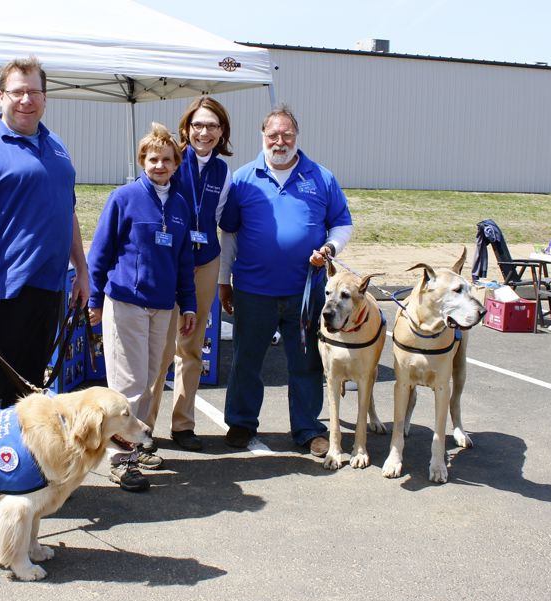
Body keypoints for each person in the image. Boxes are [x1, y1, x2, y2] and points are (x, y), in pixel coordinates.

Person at [0, 56, 89, 409]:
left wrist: (82, 270)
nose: (26, 100)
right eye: (17, 92)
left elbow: (66, 212)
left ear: (45, 98)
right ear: (1, 97)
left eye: (34, 92)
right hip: (2, 296)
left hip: (48, 292)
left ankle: (17, 465)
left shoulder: (57, 147)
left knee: (27, 400)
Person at [218, 104, 353, 457]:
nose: (280, 141)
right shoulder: (243, 178)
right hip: (252, 290)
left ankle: (309, 429)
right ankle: (241, 423)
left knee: (306, 362)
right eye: (273, 135)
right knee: (247, 360)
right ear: (263, 137)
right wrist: (222, 281)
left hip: (305, 292)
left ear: (297, 137)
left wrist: (330, 248)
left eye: (287, 134)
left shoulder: (321, 177)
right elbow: (229, 233)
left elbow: (342, 223)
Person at [88, 123, 197, 492]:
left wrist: (189, 305)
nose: (160, 165)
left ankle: (136, 442)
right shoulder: (125, 197)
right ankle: (121, 460)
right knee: (128, 384)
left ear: (177, 163)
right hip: (125, 302)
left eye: (167, 159)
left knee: (150, 379)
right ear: (142, 161)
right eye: (153, 159)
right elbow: (100, 252)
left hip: (163, 306)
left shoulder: (181, 206)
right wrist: (93, 299)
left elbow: (184, 261)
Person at [146, 96, 233, 452]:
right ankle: (143, 428)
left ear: (221, 131)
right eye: (198, 125)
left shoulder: (223, 171)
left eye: (212, 126)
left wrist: (225, 275)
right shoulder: (171, 160)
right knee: (160, 349)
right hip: (169, 261)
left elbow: (223, 220)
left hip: (206, 261)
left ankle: (183, 425)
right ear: (187, 128)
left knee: (192, 347)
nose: (204, 132)